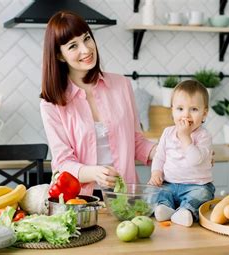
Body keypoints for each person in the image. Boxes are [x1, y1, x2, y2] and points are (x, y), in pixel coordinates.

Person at [40, 11, 157, 197]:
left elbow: (136, 141)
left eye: (87, 38)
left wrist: (169, 151)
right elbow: (63, 162)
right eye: (73, 46)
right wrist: (95, 172)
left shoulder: (122, 85)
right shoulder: (51, 103)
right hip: (81, 200)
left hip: (127, 196)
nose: (86, 49)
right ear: (60, 56)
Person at [148, 80, 215, 227]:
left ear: (205, 113)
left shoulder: (204, 136)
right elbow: (160, 156)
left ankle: (186, 212)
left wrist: (185, 137)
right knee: (155, 192)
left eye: (194, 109)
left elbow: (194, 160)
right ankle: (164, 208)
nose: (186, 115)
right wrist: (156, 173)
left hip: (197, 185)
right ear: (172, 111)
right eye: (180, 109)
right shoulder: (167, 132)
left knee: (202, 196)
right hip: (169, 183)